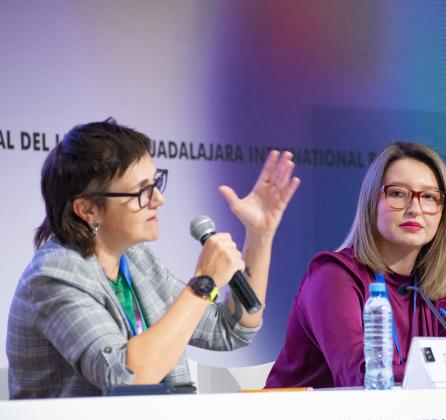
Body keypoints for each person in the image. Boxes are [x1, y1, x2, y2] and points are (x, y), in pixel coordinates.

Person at [7, 118, 300, 398]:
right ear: (87, 210)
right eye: (141, 191)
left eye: (155, 183)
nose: (159, 199)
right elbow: (125, 378)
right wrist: (204, 282)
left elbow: (230, 329)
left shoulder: (134, 259)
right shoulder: (55, 276)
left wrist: (259, 235)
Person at [266, 141, 446, 388]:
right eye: (398, 194)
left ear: (443, 212)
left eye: (429, 197)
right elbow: (359, 376)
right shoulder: (334, 276)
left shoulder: (434, 289)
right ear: (371, 203)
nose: (414, 208)